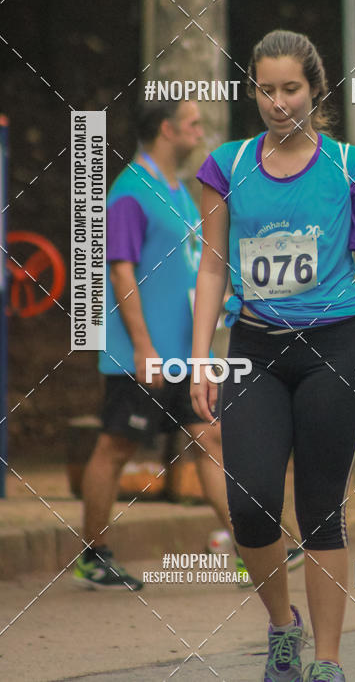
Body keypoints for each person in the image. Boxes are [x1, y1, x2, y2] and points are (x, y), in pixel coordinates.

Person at [191, 30, 355, 682]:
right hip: (253, 348)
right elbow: (212, 267)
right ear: (253, 91)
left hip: (334, 348)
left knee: (322, 505)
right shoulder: (227, 167)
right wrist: (201, 357)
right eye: (265, 88)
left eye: (290, 88)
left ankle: (327, 660)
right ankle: (282, 628)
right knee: (251, 500)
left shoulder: (352, 166)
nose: (278, 101)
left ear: (314, 90)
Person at [74, 99, 231, 590]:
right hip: (142, 357)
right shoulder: (128, 192)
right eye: (193, 125)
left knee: (210, 439)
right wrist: (144, 348)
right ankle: (92, 555)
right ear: (167, 130)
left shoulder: (179, 192)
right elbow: (119, 271)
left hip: (184, 356)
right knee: (115, 447)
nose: (200, 132)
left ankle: (255, 548)